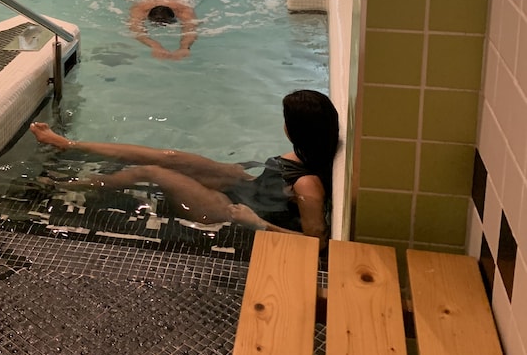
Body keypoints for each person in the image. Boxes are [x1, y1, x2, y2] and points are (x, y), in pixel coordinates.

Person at [30, 89, 339, 250]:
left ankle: (66, 186)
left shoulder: (308, 184)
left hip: (231, 209)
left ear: (293, 130)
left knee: (152, 171)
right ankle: (68, 144)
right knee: (169, 157)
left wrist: (258, 225)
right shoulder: (306, 153)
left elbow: (318, 244)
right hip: (246, 187)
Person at [127, 0, 197, 60]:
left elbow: (136, 29)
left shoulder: (183, 9)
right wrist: (155, 45)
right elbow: (190, 28)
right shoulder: (140, 8)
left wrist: (184, 47)